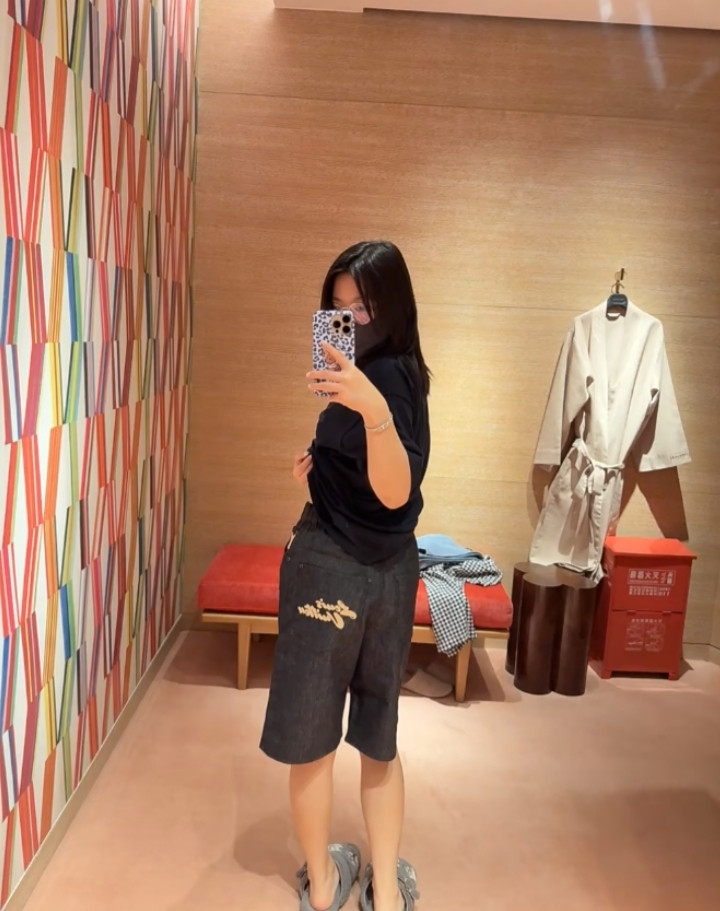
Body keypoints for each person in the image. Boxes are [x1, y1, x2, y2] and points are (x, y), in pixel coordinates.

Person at [260, 241, 432, 911]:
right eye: (337, 307)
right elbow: (376, 483)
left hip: (331, 564)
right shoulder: (402, 370)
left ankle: (327, 885)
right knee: (378, 738)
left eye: (362, 307)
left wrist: (369, 408)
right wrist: (319, 464)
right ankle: (385, 892)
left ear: (392, 306)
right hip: (390, 572)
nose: (348, 321)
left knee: (313, 739)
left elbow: (394, 490)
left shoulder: (381, 381)